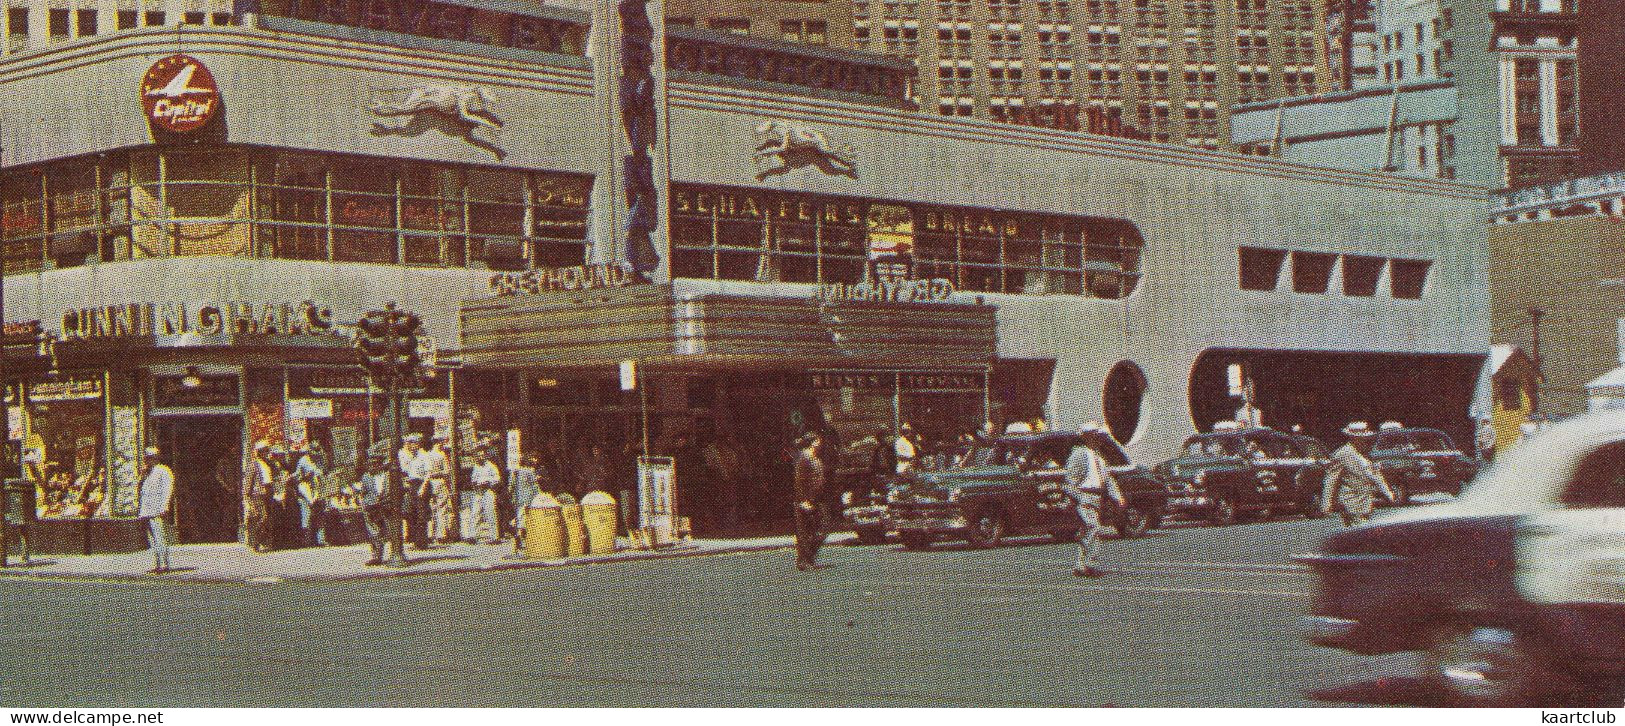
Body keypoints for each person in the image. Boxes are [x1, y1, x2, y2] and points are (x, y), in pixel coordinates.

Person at [1062, 428, 1124, 578]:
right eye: (1094, 436)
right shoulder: (1079, 454)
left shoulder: (1098, 457)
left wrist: (1117, 496)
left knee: (1087, 532)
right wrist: (1076, 496)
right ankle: (1090, 564)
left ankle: (1080, 565)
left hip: (1097, 497)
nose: (1097, 439)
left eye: (1097, 436)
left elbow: (1107, 479)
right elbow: (1070, 479)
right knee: (1094, 528)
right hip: (1085, 496)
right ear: (1086, 437)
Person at [1321, 421, 1396, 527]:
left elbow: (1375, 474)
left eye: (1365, 437)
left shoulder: (1365, 453)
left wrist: (1387, 492)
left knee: (1361, 536)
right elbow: (1331, 479)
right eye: (1361, 437)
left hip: (1366, 502)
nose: (1364, 440)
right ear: (1353, 438)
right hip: (1351, 502)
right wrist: (1326, 503)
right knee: (1360, 536)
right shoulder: (1342, 454)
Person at [792, 432, 828, 572]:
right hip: (805, 499)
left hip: (817, 498)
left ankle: (809, 557)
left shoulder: (815, 458)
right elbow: (799, 481)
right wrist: (803, 500)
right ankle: (804, 560)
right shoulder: (804, 458)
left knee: (823, 528)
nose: (821, 443)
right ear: (813, 442)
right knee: (805, 531)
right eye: (818, 440)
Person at [136, 447, 175, 574]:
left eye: (149, 458)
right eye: (146, 458)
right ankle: (157, 563)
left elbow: (167, 489)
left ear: (156, 458)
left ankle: (164, 564)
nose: (147, 460)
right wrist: (142, 475)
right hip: (147, 510)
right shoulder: (147, 473)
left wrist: (165, 506)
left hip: (157, 509)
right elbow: (140, 489)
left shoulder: (163, 471)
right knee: (151, 539)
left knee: (159, 537)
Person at [352, 453, 391, 566]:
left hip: (384, 506)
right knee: (374, 532)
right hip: (370, 507)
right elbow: (363, 492)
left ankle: (388, 553)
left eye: (375, 464)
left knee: (385, 531)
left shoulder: (387, 475)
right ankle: (376, 556)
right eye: (370, 464)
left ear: (380, 464)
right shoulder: (366, 476)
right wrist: (363, 503)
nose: (372, 466)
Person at [244, 441, 278, 552]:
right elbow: (248, 481)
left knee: (267, 518)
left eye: (266, 450)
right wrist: (247, 497)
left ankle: (264, 542)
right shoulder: (254, 464)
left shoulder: (268, 463)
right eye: (264, 450)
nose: (266, 453)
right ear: (259, 452)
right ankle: (256, 542)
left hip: (267, 493)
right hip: (257, 494)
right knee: (261, 517)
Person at [398, 434, 430, 549]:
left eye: (413, 443)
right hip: (409, 485)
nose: (411, 445)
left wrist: (423, 487)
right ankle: (413, 539)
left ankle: (421, 542)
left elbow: (428, 473)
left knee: (421, 514)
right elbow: (404, 471)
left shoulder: (424, 455)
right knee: (409, 513)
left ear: (418, 444)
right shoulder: (409, 456)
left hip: (420, 484)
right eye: (409, 443)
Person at [289, 442, 325, 547]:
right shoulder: (304, 461)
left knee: (319, 515)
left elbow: (321, 474)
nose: (317, 453)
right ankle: (306, 541)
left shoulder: (319, 460)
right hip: (305, 491)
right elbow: (301, 478)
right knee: (306, 515)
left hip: (317, 490)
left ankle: (320, 540)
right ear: (310, 451)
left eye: (318, 451)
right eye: (315, 451)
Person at [420, 436, 454, 544]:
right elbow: (447, 472)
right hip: (439, 481)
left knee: (432, 508)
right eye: (440, 443)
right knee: (441, 508)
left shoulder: (427, 455)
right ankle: (441, 534)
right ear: (437, 443)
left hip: (430, 483)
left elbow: (425, 472)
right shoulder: (441, 455)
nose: (441, 445)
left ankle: (432, 533)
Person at [465, 449, 502, 544]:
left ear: (485, 456)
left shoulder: (491, 466)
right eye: (478, 456)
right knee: (475, 513)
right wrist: (476, 486)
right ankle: (472, 535)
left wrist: (488, 483)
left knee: (490, 513)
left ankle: (494, 537)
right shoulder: (476, 467)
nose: (479, 458)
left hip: (488, 491)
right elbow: (473, 479)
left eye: (481, 455)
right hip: (478, 492)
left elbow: (497, 480)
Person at [510, 454, 542, 553]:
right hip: (528, 500)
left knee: (519, 521)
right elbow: (535, 487)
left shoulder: (515, 472)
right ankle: (520, 542)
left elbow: (511, 487)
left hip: (519, 500)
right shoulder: (529, 471)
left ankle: (517, 544)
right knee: (524, 523)